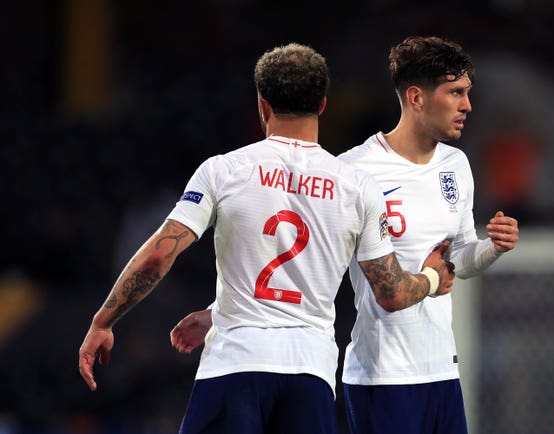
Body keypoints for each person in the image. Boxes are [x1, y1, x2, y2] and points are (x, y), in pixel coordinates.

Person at [78, 42, 456, 434]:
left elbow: (159, 256)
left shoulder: (224, 171)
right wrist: (430, 278)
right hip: (310, 374)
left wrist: (103, 321)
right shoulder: (357, 186)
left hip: (235, 364)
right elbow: (391, 293)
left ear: (262, 105)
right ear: (324, 104)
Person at [170, 37, 519, 434]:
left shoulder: (456, 166)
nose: (467, 106)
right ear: (417, 97)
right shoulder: (353, 173)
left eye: (467, 93)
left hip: (442, 370)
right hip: (382, 375)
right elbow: (301, 256)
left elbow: (455, 258)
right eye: (456, 93)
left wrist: (492, 248)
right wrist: (220, 313)